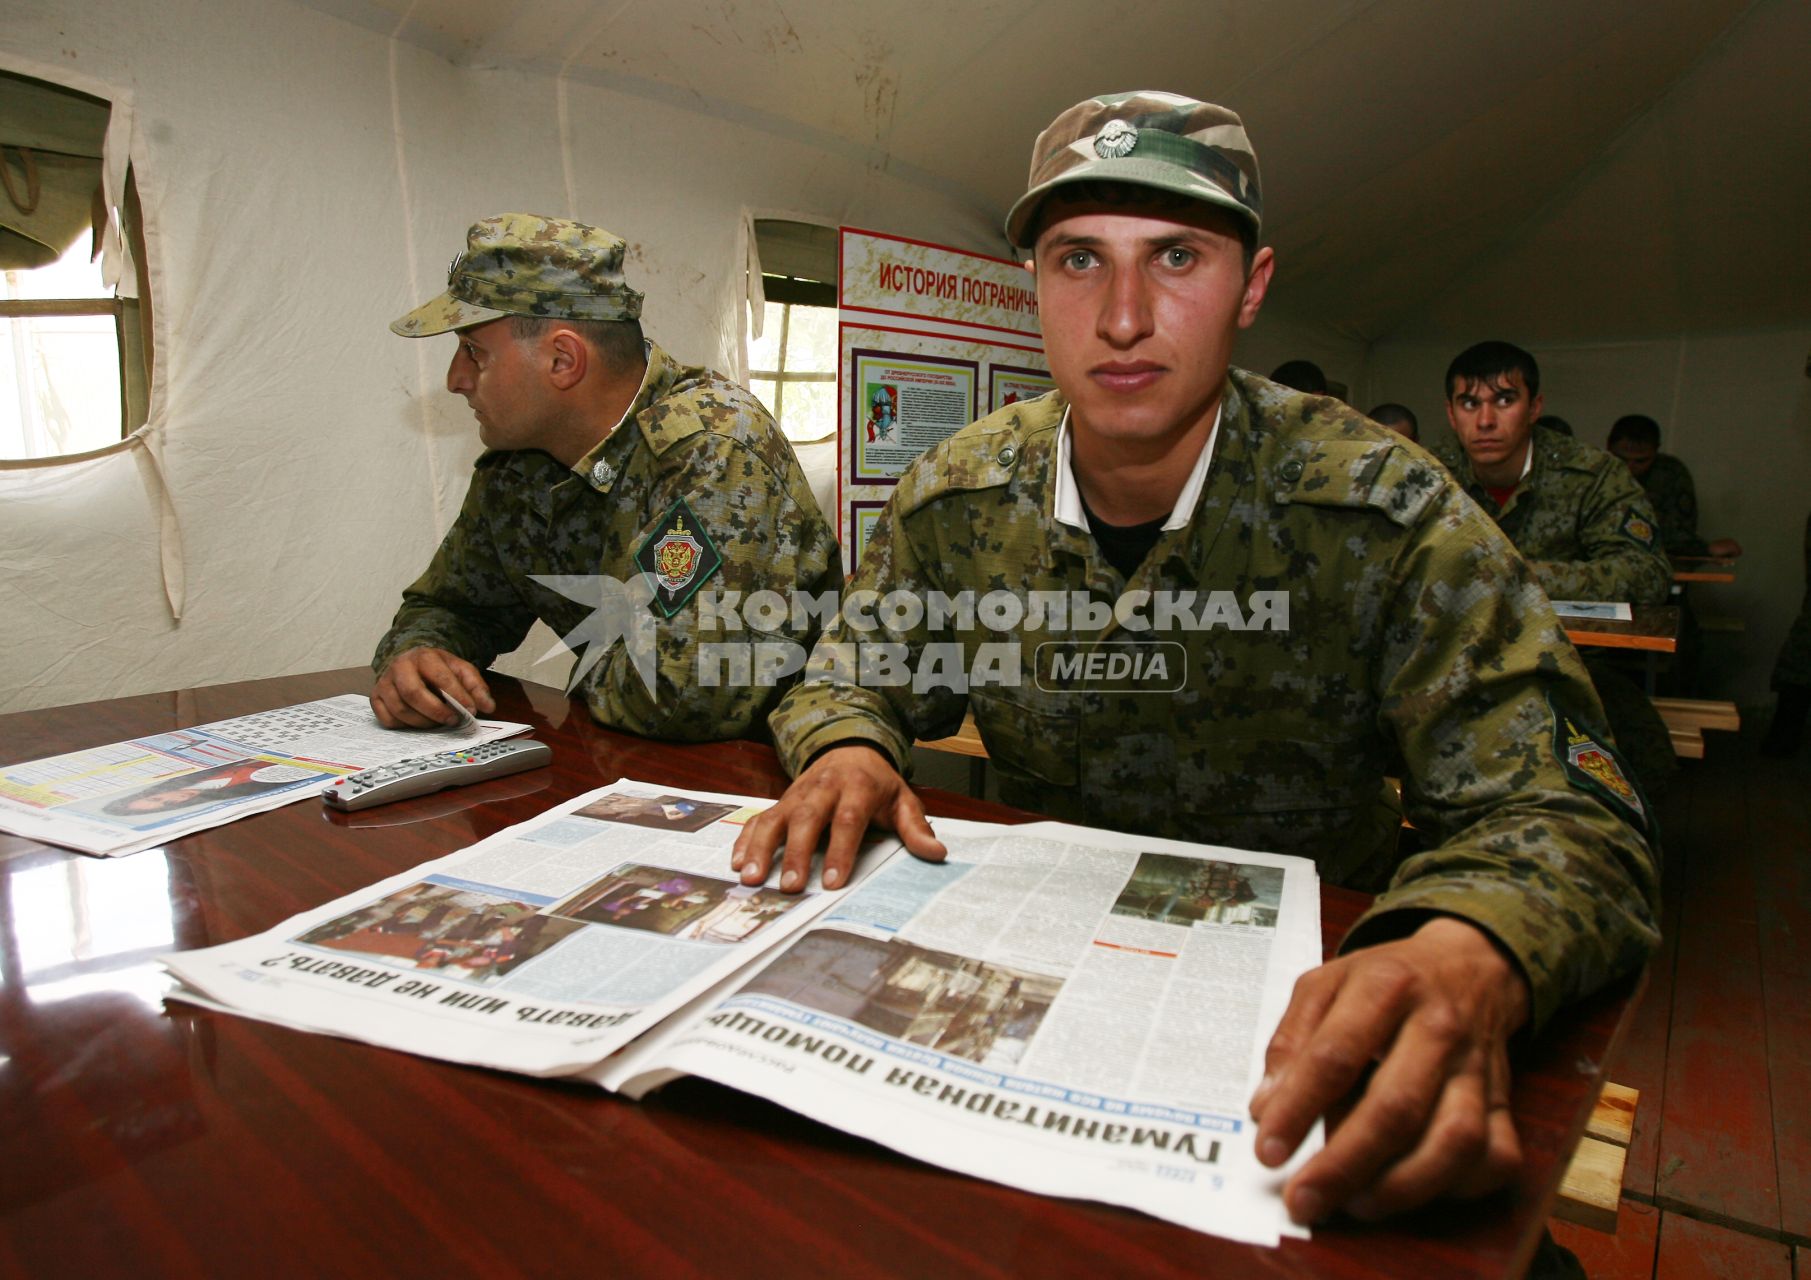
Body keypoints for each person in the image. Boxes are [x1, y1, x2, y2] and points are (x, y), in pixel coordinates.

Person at [736, 91, 1659, 1230]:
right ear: (1035, 286)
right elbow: (846, 669)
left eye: (1175, 256)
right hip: (1026, 987)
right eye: (1078, 259)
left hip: (1301, 1013)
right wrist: (844, 745)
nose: (1123, 315)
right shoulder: (957, 492)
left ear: (1252, 286)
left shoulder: (1383, 508)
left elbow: (1572, 812)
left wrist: (1465, 945)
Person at [372, 213, 840, 740]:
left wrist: (575, 673)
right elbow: (451, 606)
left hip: (777, 777)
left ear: (563, 360)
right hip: (624, 769)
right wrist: (418, 657)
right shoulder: (520, 467)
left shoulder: (712, 448)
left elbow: (679, 694)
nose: (456, 380)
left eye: (474, 352)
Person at [1436, 343, 1672, 607]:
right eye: (1470, 403)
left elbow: (1648, 576)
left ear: (1534, 408)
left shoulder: (1593, 473)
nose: (1485, 421)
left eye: (1504, 400)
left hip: (1571, 644)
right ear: (1452, 415)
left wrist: (1516, 576)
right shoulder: (1429, 475)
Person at [1606, 414, 1743, 559]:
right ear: (1608, 448)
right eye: (1621, 459)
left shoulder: (1671, 473)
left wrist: (1704, 549)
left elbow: (1679, 533)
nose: (1630, 467)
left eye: (1641, 461)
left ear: (1655, 452)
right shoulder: (1592, 471)